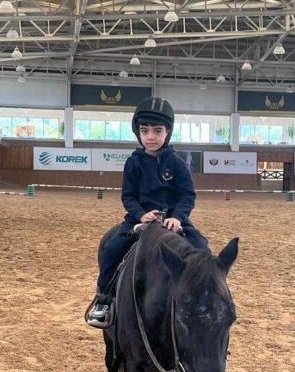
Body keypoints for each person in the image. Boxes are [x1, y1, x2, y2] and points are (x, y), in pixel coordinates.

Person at [87, 97, 210, 328]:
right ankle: (103, 300)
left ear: (167, 132)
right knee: (111, 250)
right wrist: (139, 215)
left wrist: (177, 217)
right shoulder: (133, 163)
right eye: (145, 131)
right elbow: (128, 196)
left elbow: (187, 196)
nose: (150, 136)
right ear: (138, 133)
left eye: (157, 130)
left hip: (173, 221)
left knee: (203, 248)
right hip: (139, 219)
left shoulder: (177, 163)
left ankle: (202, 299)